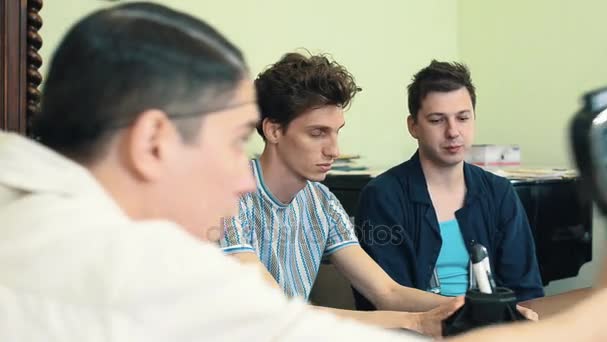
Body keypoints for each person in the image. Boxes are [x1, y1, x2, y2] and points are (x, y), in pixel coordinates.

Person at [0, 3, 422, 340]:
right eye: (233, 141)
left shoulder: (30, 209)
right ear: (152, 142)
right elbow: (276, 327)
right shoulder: (119, 264)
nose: (243, 179)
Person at [219, 51, 471, 337]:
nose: (334, 150)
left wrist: (476, 310)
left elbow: (387, 292)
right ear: (274, 130)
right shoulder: (228, 199)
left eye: (336, 132)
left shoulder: (322, 201)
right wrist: (416, 322)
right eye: (317, 133)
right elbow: (276, 312)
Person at [354, 60, 544, 312]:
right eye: (437, 120)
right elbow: (388, 300)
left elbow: (526, 290)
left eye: (463, 118)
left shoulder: (500, 192)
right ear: (413, 126)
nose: (453, 131)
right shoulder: (382, 196)